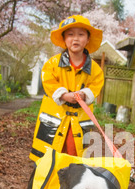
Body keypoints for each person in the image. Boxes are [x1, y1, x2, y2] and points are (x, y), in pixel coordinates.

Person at [30, 15, 104, 162]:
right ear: (64, 39)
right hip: (55, 117)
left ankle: (71, 183)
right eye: (70, 34)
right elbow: (48, 81)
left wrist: (84, 94)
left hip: (79, 120)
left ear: (88, 39)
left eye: (81, 34)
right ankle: (47, 183)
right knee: (48, 157)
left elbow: (96, 85)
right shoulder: (52, 64)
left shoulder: (95, 69)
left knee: (74, 155)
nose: (75, 39)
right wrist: (63, 95)